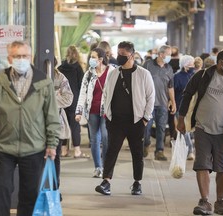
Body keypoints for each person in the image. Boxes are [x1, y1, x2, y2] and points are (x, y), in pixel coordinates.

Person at [0, 40, 60, 215]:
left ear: (30, 57)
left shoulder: (43, 82)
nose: (21, 59)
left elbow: (52, 116)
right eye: (17, 56)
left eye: (24, 56)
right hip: (4, 145)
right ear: (9, 58)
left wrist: (52, 143)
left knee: (29, 193)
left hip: (33, 147)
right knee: (2, 188)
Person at [177, 50, 223, 215]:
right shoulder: (202, 76)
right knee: (202, 164)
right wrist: (181, 118)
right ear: (221, 62)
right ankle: (204, 201)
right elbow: (187, 95)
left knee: (222, 167)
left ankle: (220, 200)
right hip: (203, 128)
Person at [95, 41, 155, 196]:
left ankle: (137, 183)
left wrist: (146, 118)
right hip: (115, 120)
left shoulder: (143, 74)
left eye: (123, 55)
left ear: (132, 55)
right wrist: (107, 114)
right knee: (111, 151)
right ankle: (106, 181)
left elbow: (150, 97)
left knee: (137, 153)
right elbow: (106, 94)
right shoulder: (114, 73)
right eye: (118, 54)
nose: (119, 57)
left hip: (136, 120)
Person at [75, 48, 115, 178]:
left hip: (106, 111)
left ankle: (106, 166)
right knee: (94, 140)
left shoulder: (112, 72)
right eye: (90, 57)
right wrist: (79, 111)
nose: (91, 59)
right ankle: (98, 167)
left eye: (93, 57)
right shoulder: (89, 74)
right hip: (92, 111)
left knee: (105, 136)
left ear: (101, 59)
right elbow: (82, 93)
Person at [143, 45, 176, 161]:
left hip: (162, 103)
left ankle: (159, 151)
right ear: (161, 54)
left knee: (161, 128)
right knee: (146, 127)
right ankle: (145, 144)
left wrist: (173, 102)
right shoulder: (148, 65)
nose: (170, 57)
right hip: (148, 104)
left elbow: (170, 86)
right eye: (168, 54)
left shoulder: (169, 68)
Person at [58, 45, 89, 158]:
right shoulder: (78, 68)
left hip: (62, 99)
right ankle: (77, 151)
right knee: (75, 125)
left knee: (63, 124)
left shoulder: (61, 68)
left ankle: (64, 150)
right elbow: (82, 85)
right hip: (74, 99)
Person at [53, 57, 73, 201]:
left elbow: (68, 98)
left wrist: (48, 98)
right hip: (34, 126)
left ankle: (54, 188)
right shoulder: (31, 77)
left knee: (55, 158)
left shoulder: (60, 77)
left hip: (56, 124)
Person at [174, 55, 195, 160]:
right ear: (185, 65)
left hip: (193, 108)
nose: (192, 66)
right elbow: (174, 90)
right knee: (184, 129)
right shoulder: (177, 77)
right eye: (190, 64)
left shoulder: (195, 76)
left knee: (191, 130)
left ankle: (190, 146)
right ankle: (190, 150)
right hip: (180, 106)